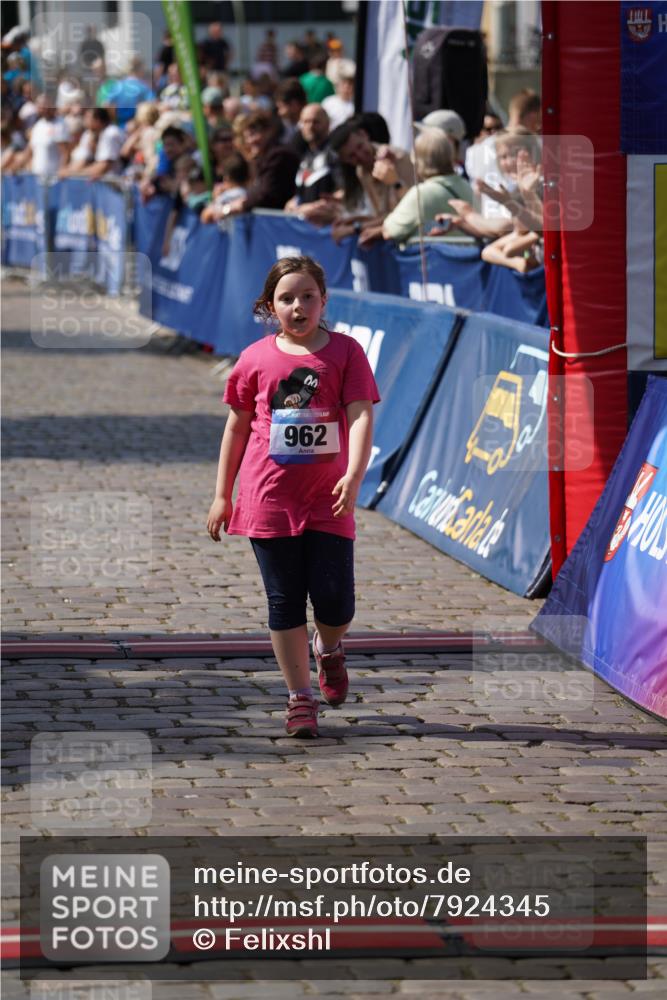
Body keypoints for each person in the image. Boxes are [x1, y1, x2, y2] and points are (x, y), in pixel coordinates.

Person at [206, 256, 379, 738]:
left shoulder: (345, 353)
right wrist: (223, 495)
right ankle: (299, 698)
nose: (298, 306)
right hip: (269, 497)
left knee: (335, 602)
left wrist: (354, 472)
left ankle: (329, 649)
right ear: (269, 306)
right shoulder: (254, 359)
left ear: (324, 301)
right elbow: (237, 426)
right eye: (287, 298)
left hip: (329, 498)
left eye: (308, 296)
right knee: (283, 602)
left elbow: (362, 414)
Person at [382, 128, 473, 243]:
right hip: (462, 258)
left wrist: (394, 184)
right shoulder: (466, 185)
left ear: (417, 160)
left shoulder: (421, 193)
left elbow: (388, 231)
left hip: (430, 260)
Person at [222, 110, 299, 214]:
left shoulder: (278, 156)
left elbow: (267, 195)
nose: (251, 141)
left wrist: (241, 205)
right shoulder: (264, 158)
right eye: (247, 137)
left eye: (254, 134)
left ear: (268, 132)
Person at [284, 104, 338, 225]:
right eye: (306, 122)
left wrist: (315, 207)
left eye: (316, 122)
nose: (310, 126)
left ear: (328, 124)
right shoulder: (304, 154)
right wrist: (293, 202)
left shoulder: (335, 154)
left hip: (327, 228)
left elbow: (344, 192)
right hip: (304, 229)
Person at [321, 61, 355, 130]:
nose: (346, 86)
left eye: (350, 83)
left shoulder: (358, 103)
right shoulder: (328, 102)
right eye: (344, 83)